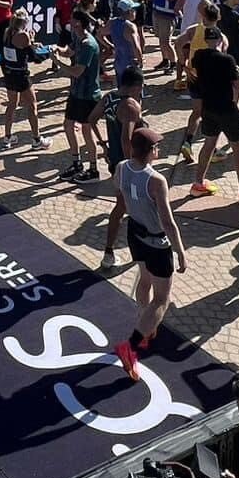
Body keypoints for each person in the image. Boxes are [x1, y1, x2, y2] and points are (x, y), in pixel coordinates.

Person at [102, 126, 188, 380]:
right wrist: (181, 251)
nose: (159, 149)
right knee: (163, 298)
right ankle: (132, 344)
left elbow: (121, 197)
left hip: (135, 232)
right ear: (150, 151)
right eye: (157, 146)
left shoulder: (121, 168)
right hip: (156, 242)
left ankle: (145, 323)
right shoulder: (156, 180)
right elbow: (168, 221)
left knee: (144, 279)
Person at [189, 23, 239, 202]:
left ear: (206, 40)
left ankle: (198, 183)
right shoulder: (228, 60)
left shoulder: (199, 56)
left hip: (208, 108)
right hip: (227, 108)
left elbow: (195, 72)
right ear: (220, 39)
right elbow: (238, 86)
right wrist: (233, 101)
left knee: (209, 143)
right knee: (237, 148)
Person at [60, 9, 104, 181]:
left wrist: (57, 62)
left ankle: (93, 170)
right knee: (68, 125)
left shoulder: (88, 44)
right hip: (76, 92)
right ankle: (76, 163)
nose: (69, 22)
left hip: (88, 95)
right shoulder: (78, 39)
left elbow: (77, 71)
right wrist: (56, 49)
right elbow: (68, 52)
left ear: (78, 23)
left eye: (72, 20)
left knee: (87, 131)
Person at [0, 16, 50, 151]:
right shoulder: (23, 35)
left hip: (9, 74)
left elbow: (20, 48)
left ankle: (7, 137)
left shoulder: (7, 32)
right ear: (25, 23)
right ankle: (36, 139)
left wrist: (31, 43)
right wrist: (49, 53)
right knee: (32, 105)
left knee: (12, 105)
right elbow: (35, 58)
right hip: (21, 75)